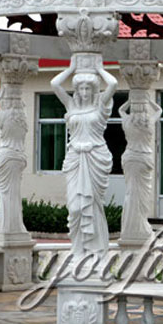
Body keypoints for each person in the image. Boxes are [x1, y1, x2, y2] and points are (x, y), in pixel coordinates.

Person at [50, 56, 117, 261]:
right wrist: (71, 69)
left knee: (94, 206)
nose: (85, 92)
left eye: (89, 88)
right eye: (81, 88)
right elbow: (54, 84)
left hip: (95, 157)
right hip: (75, 159)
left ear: (94, 90)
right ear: (77, 90)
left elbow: (113, 83)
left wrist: (100, 69)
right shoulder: (71, 105)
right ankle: (79, 250)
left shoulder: (100, 106)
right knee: (76, 207)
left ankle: (95, 251)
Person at [0, 88, 29, 236]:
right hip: (19, 156)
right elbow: (22, 106)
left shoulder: (3, 116)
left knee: (6, 193)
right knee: (14, 193)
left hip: (6, 155)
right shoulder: (22, 118)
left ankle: (6, 225)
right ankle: (15, 225)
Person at [119, 96, 161, 240]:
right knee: (142, 194)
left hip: (130, 157)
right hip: (143, 159)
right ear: (144, 110)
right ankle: (139, 225)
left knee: (131, 191)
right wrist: (148, 100)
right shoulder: (148, 122)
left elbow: (120, 110)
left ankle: (129, 226)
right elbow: (159, 110)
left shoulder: (127, 122)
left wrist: (131, 101)